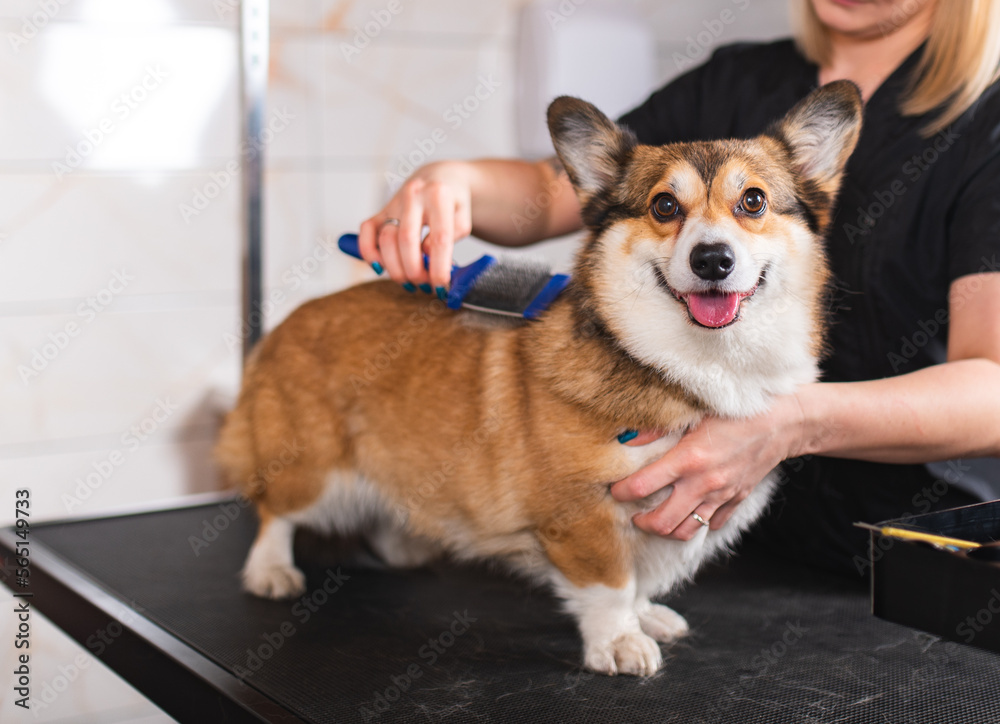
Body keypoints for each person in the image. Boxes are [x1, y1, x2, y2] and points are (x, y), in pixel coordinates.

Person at [355, 0, 1000, 575]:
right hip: (709, 547)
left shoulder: (986, 126)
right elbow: (568, 189)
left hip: (920, 558)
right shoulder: (740, 78)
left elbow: (993, 386)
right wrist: (455, 181)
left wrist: (789, 424)